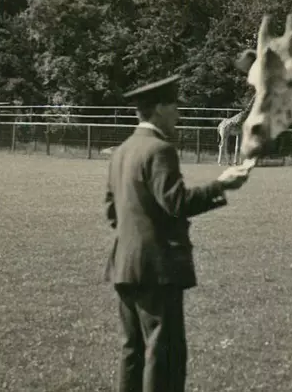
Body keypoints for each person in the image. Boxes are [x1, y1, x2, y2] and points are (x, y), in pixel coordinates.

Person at [103, 74, 251, 392]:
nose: (178, 116)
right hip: (157, 269)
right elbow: (176, 202)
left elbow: (112, 212)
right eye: (174, 108)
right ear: (158, 109)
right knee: (165, 354)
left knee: (132, 353)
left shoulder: (122, 151)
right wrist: (222, 184)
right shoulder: (160, 150)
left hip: (124, 266)